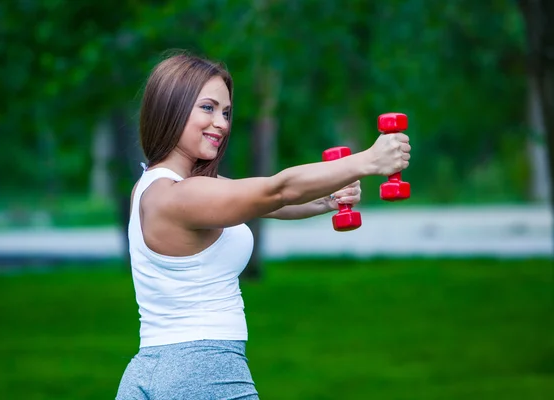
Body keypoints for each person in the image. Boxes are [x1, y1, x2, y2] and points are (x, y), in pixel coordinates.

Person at [115, 52, 411, 399]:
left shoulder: (155, 187)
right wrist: (368, 160)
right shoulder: (183, 195)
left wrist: (327, 200)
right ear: (171, 107)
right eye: (207, 108)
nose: (222, 123)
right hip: (203, 370)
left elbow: (271, 203)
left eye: (225, 112)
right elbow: (277, 189)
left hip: (152, 368)